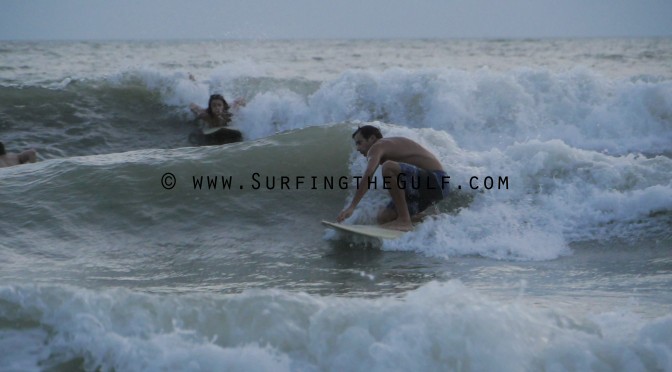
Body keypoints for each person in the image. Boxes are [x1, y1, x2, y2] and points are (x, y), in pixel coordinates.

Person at [336, 125, 449, 231]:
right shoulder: (389, 146)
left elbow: (368, 174)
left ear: (372, 138)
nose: (357, 148)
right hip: (434, 188)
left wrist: (352, 206)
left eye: (359, 143)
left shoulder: (377, 146)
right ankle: (428, 218)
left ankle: (404, 220)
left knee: (388, 167)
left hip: (437, 180)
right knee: (384, 217)